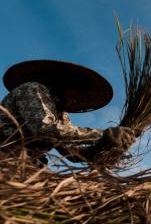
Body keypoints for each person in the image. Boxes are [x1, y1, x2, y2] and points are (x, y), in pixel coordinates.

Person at [0, 60, 135, 166]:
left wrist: (103, 148)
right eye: (77, 91)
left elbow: (71, 153)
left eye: (81, 95)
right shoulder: (33, 89)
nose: (77, 99)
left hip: (28, 166)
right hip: (5, 156)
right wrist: (102, 134)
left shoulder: (61, 115)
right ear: (63, 84)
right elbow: (45, 130)